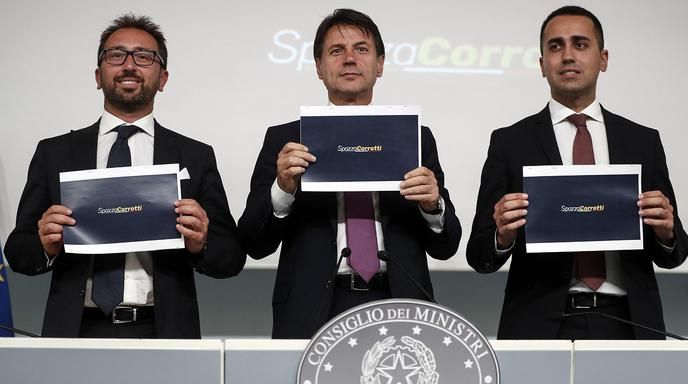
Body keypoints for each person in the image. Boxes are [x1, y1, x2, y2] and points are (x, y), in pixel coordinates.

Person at [4, 14, 245, 338]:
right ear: (98, 75)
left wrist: (201, 244)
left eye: (144, 57)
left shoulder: (194, 156)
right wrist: (44, 244)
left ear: (163, 78)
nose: (129, 65)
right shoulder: (55, 153)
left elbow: (231, 258)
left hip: (165, 333)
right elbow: (18, 252)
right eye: (116, 55)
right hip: (74, 332)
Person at [467, 6, 688, 340]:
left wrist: (666, 232)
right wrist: (501, 236)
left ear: (603, 59)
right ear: (542, 64)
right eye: (555, 46)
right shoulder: (509, 143)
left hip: (629, 323)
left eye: (580, 44)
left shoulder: (643, 141)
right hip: (538, 325)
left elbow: (675, 254)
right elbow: (479, 256)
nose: (568, 55)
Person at [239, 9, 461, 339]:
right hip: (312, 311)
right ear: (318, 67)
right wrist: (283, 189)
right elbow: (253, 243)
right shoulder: (286, 141)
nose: (349, 59)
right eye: (336, 51)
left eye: (361, 49)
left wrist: (432, 205)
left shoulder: (413, 138)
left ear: (380, 64)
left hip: (399, 303)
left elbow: (447, 245)